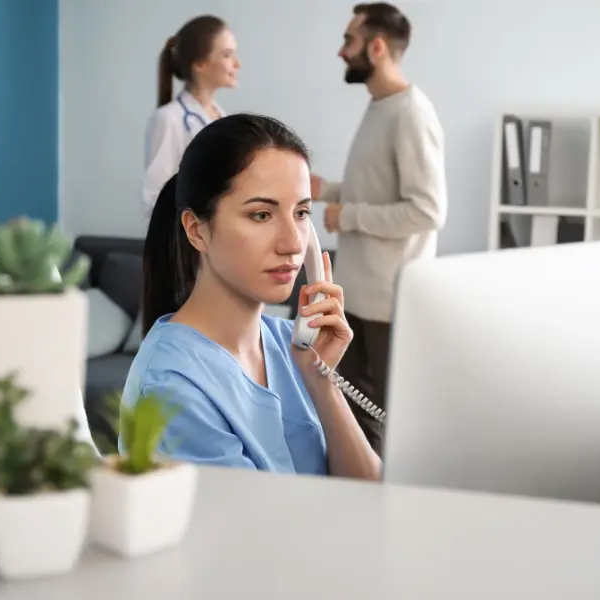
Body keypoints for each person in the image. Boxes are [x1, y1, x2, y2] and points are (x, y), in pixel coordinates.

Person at [120, 113, 382, 481]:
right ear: (197, 230)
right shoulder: (172, 388)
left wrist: (322, 381)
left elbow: (371, 495)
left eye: (302, 213)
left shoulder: (290, 345)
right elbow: (255, 533)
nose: (293, 243)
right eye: (261, 214)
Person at [310, 3, 447, 456]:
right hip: (362, 299)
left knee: (384, 425)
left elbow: (427, 211)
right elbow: (379, 188)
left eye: (348, 40)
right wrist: (328, 190)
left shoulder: (411, 113)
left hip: (389, 305)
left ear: (378, 46)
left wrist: (345, 216)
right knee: (354, 419)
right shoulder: (382, 108)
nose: (339, 51)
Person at [141, 15, 241, 216]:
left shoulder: (222, 117)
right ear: (200, 64)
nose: (237, 64)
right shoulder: (169, 119)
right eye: (227, 55)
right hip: (189, 239)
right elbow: (154, 198)